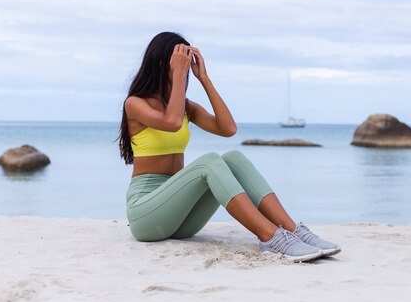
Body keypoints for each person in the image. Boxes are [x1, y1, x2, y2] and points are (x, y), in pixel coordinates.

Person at [118, 32, 340, 262]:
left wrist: (204, 78)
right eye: (180, 58)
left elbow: (228, 129)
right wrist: (179, 73)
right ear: (163, 62)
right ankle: (270, 236)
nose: (184, 63)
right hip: (146, 214)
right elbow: (172, 123)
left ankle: (292, 230)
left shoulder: (184, 107)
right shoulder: (135, 103)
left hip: (180, 221)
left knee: (233, 158)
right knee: (209, 162)